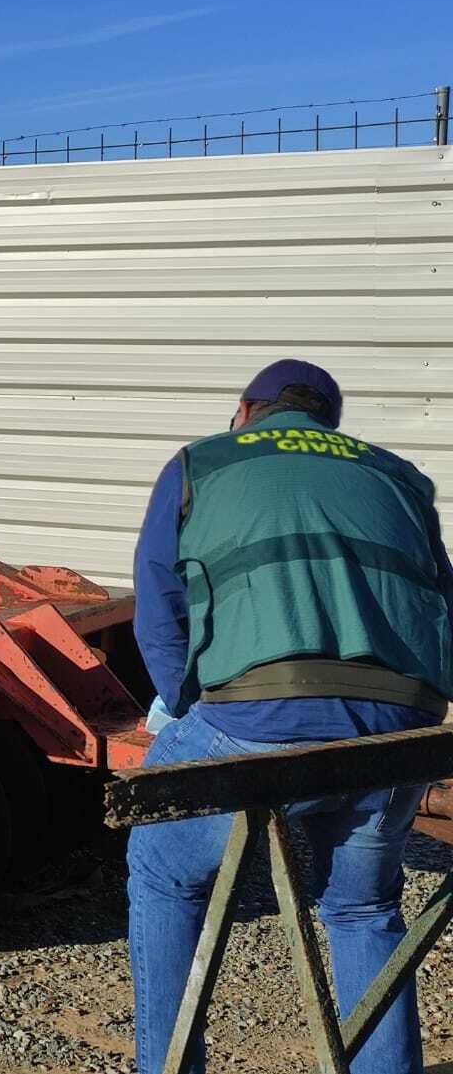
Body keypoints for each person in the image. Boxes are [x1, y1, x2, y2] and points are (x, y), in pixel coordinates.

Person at [127, 359, 453, 1074]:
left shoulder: (200, 463)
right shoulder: (398, 476)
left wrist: (186, 709)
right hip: (399, 727)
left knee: (162, 867)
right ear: (325, 423)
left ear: (247, 409)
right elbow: (441, 604)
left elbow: (158, 609)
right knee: (362, 909)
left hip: (257, 717)